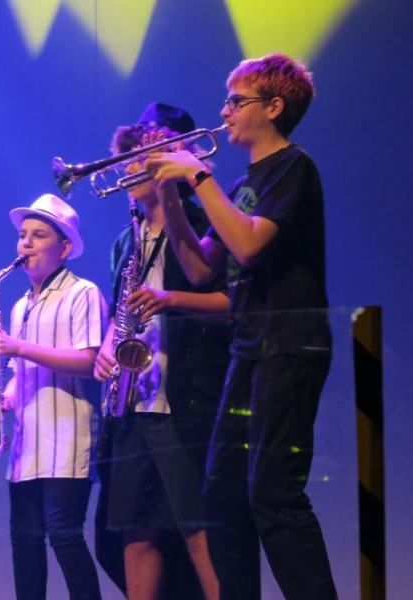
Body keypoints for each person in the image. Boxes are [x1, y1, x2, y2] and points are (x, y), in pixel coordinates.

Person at [145, 53, 336, 599]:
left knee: (273, 495)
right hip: (249, 347)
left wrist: (198, 174)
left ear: (273, 107)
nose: (224, 111)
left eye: (236, 101)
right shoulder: (243, 182)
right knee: (221, 497)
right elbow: (205, 268)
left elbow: (249, 245)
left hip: (289, 344)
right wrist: (169, 196)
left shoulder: (294, 166)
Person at [92, 103, 230, 600]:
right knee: (135, 529)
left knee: (198, 527)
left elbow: (224, 298)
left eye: (142, 156)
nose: (131, 167)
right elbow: (118, 312)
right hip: (135, 402)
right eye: (128, 157)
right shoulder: (122, 243)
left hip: (184, 397)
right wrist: (108, 347)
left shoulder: (201, 219)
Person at [0, 193, 106, 600]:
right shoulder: (20, 306)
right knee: (25, 543)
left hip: (69, 440)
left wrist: (17, 348)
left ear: (65, 248)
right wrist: (4, 398)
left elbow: (90, 360)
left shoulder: (82, 292)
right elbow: (22, 374)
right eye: (23, 236)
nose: (27, 244)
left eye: (39, 235)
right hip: (28, 444)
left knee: (65, 537)